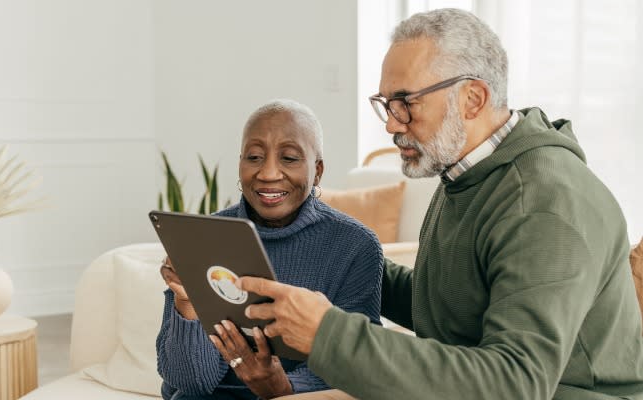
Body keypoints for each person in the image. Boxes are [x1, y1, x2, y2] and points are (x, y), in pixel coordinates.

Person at [236, 8, 643, 400]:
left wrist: (327, 334)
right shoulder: (468, 175)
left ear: (472, 98)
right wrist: (331, 255)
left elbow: (515, 383)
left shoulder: (544, 203)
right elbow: (449, 309)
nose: (392, 123)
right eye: (386, 104)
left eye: (406, 103)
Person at [156, 99, 384, 399]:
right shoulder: (203, 237)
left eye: (289, 158)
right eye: (254, 157)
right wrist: (187, 305)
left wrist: (283, 387)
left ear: (317, 171)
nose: (268, 173)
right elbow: (191, 382)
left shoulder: (355, 246)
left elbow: (358, 364)